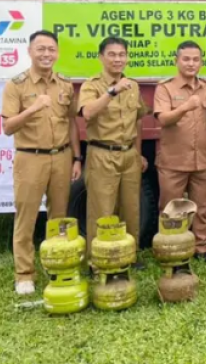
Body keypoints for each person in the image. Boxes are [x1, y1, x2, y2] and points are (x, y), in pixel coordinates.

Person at [1, 30, 82, 296]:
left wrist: (76, 157)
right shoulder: (17, 85)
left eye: (51, 49)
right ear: (30, 51)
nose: (47, 54)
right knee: (27, 218)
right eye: (41, 49)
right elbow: (7, 127)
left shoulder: (65, 84)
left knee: (59, 219)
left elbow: (71, 123)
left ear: (57, 53)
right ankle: (24, 275)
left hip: (61, 157)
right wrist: (33, 108)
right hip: (30, 157)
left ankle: (56, 266)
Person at [78, 37, 148, 267]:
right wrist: (112, 92)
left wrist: (138, 153)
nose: (118, 59)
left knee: (131, 208)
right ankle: (99, 260)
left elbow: (138, 119)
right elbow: (87, 113)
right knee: (102, 210)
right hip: (102, 153)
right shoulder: (92, 85)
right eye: (112, 54)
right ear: (101, 57)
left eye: (122, 54)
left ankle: (130, 255)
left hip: (128, 154)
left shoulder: (133, 85)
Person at [153, 40, 206, 262]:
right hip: (173, 160)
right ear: (177, 61)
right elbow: (163, 119)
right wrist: (184, 107)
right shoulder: (165, 88)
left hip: (202, 159)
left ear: (201, 62)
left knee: (202, 207)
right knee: (170, 209)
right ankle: (170, 248)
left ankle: (201, 247)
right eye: (186, 59)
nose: (191, 64)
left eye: (196, 59)